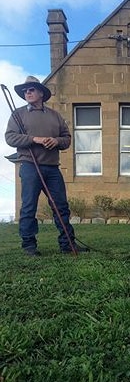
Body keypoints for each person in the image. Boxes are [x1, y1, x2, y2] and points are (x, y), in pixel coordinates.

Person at [5, 76, 88, 256]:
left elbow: (67, 139)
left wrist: (56, 141)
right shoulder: (17, 114)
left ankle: (67, 244)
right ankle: (29, 246)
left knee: (61, 206)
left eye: (31, 89)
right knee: (28, 206)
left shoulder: (55, 116)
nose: (27, 92)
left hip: (52, 168)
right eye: (25, 91)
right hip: (29, 166)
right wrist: (33, 139)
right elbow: (10, 137)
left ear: (41, 93)